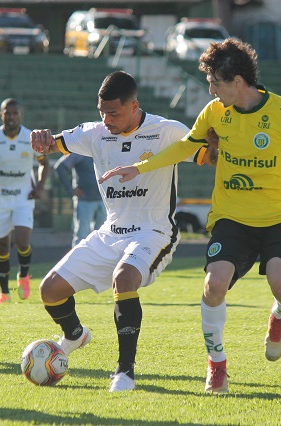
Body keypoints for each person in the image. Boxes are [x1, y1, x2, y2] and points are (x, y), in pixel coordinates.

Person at [99, 39, 281, 394]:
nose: (210, 89)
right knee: (213, 286)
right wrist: (139, 167)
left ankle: (280, 317)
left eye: (215, 82)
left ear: (237, 81)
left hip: (278, 219)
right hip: (231, 220)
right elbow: (186, 146)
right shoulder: (214, 113)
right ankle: (217, 366)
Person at [30, 70, 204, 392]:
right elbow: (50, 146)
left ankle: (125, 372)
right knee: (50, 290)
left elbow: (206, 153)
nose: (106, 119)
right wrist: (42, 141)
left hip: (154, 231)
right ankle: (74, 335)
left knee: (124, 279)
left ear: (134, 106)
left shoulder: (166, 130)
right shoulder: (95, 133)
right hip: (110, 232)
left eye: (114, 112)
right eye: (102, 112)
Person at [0, 98, 49, 304]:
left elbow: (44, 163)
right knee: (3, 248)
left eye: (15, 113)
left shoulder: (29, 138)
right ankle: (4, 292)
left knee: (23, 241)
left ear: (20, 115)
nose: (11, 117)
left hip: (24, 197)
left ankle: (24, 276)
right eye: (8, 113)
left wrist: (39, 187)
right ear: (1, 115)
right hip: (0, 198)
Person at [54, 152, 107, 246]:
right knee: (82, 235)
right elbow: (60, 167)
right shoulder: (79, 150)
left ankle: (97, 261)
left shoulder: (105, 146)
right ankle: (78, 260)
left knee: (103, 236)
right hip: (85, 200)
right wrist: (70, 189)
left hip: (105, 200)